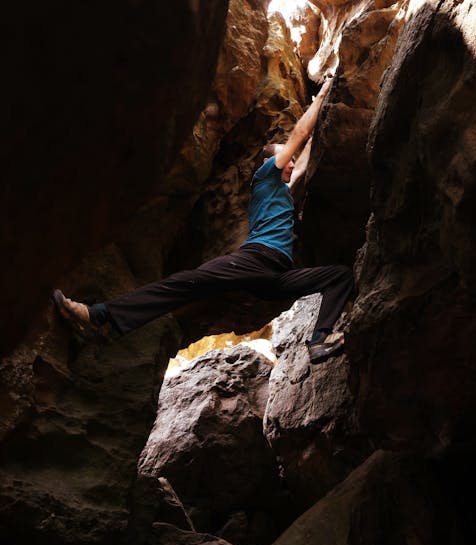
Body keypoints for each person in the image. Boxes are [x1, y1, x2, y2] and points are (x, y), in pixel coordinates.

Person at [54, 79, 354, 364]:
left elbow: (301, 163)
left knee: (339, 275)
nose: (290, 161)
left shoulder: (284, 191)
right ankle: (100, 314)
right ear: (268, 163)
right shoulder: (264, 177)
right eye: (284, 158)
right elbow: (298, 136)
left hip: (275, 277)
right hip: (253, 260)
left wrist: (323, 118)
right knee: (183, 285)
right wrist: (324, 91)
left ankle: (318, 342)